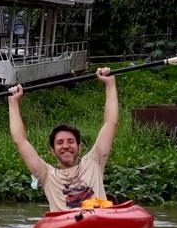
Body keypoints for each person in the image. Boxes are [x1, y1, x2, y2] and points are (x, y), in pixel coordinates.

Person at [8, 67, 118, 211]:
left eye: (71, 141)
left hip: (98, 220)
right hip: (66, 227)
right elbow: (20, 141)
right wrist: (13, 102)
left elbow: (110, 123)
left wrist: (110, 85)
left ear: (79, 147)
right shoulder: (47, 175)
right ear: (53, 151)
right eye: (60, 143)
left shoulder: (94, 162)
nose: (66, 146)